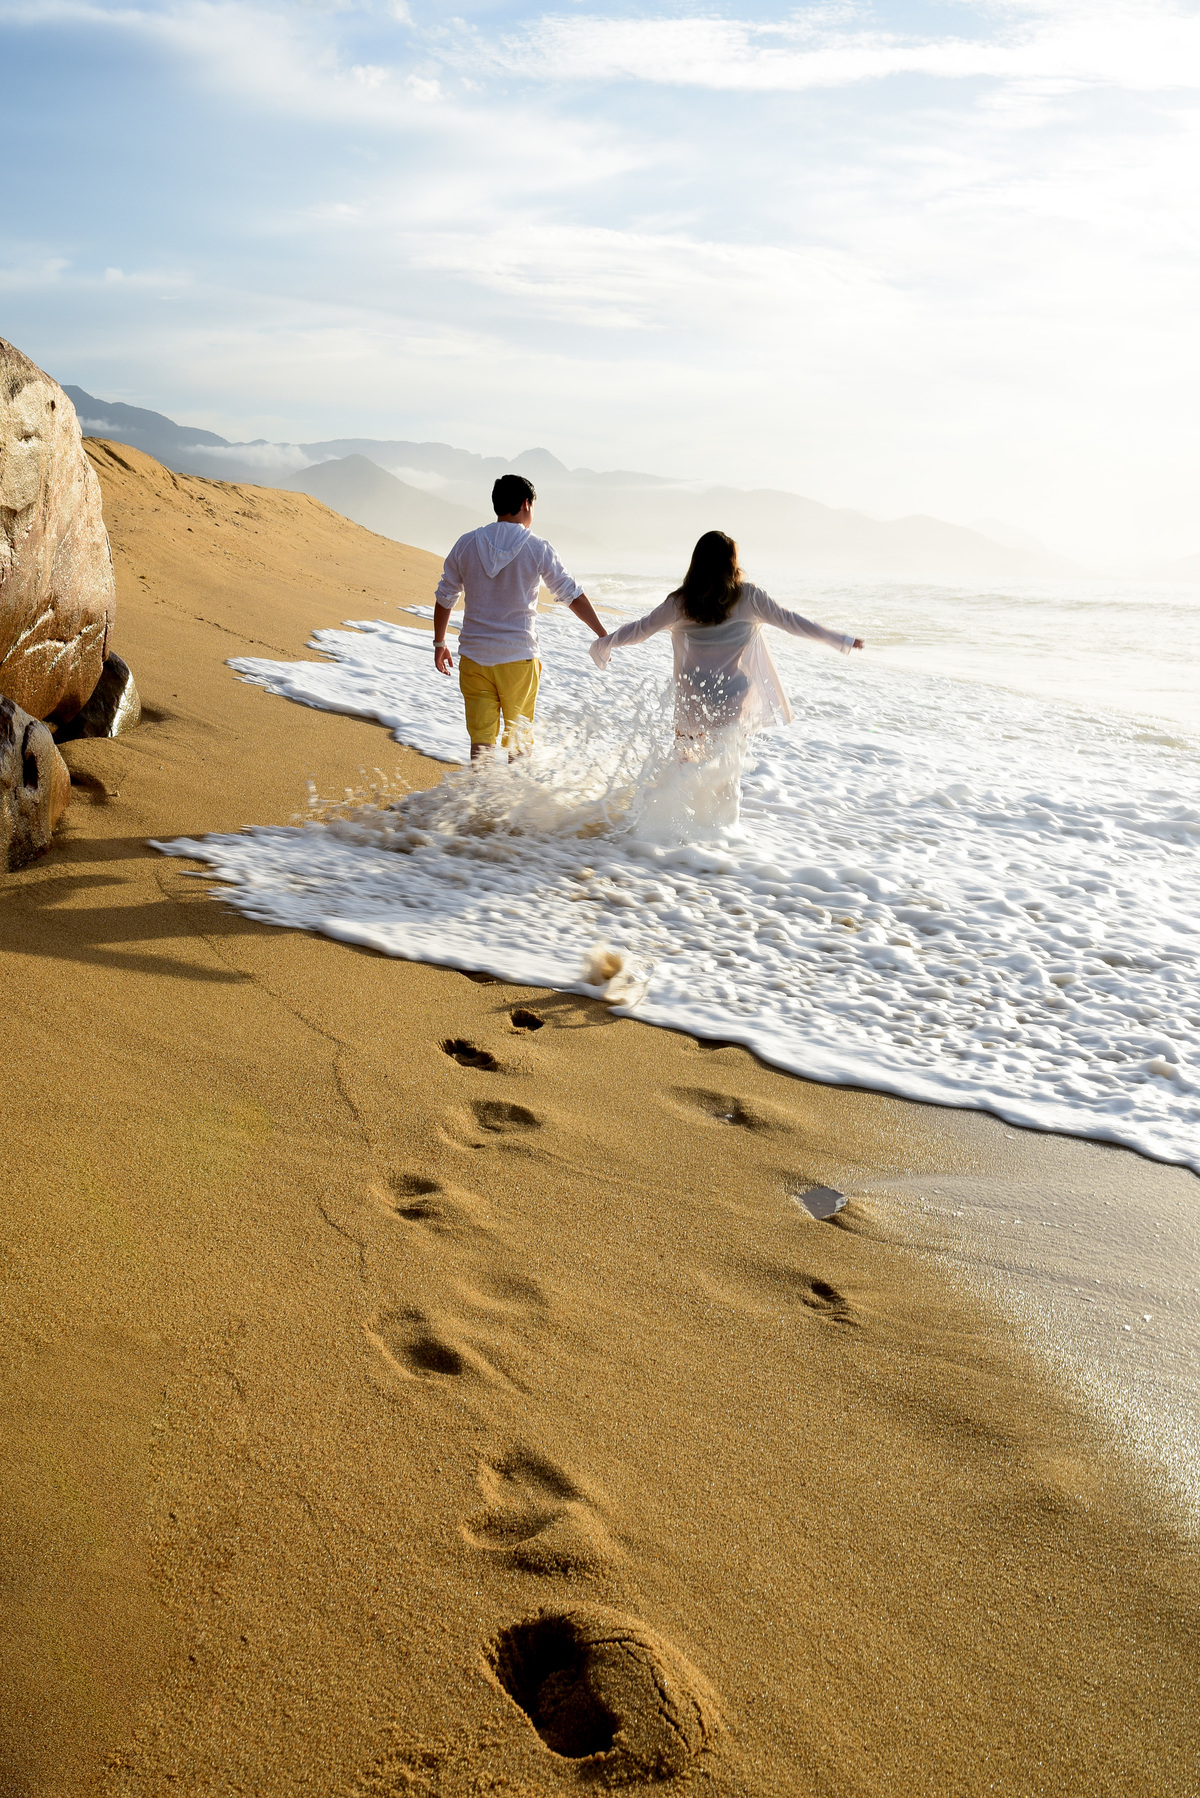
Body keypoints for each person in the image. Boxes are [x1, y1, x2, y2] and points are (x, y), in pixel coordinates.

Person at [588, 530, 864, 748]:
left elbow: (640, 630)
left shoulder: (681, 602)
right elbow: (793, 623)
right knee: (724, 762)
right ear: (730, 563)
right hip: (732, 692)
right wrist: (840, 640)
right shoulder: (750, 598)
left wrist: (605, 643)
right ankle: (719, 817)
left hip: (692, 691)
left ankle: (676, 813)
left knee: (685, 757)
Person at [432, 473, 606, 760]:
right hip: (518, 659)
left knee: (481, 746)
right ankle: (515, 804)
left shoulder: (466, 544)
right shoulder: (537, 547)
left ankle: (478, 803)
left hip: (475, 658)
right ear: (526, 504)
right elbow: (570, 593)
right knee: (519, 744)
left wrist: (440, 644)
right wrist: (602, 633)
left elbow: (445, 596)